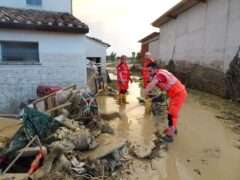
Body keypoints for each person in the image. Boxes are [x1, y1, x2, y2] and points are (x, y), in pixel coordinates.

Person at [144, 62, 187, 143]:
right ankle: (173, 129)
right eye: (148, 72)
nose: (149, 73)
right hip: (174, 95)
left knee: (171, 116)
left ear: (155, 69)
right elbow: (161, 84)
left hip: (179, 94)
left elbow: (151, 85)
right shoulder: (159, 73)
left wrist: (145, 92)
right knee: (172, 114)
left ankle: (169, 137)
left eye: (150, 71)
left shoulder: (160, 75)